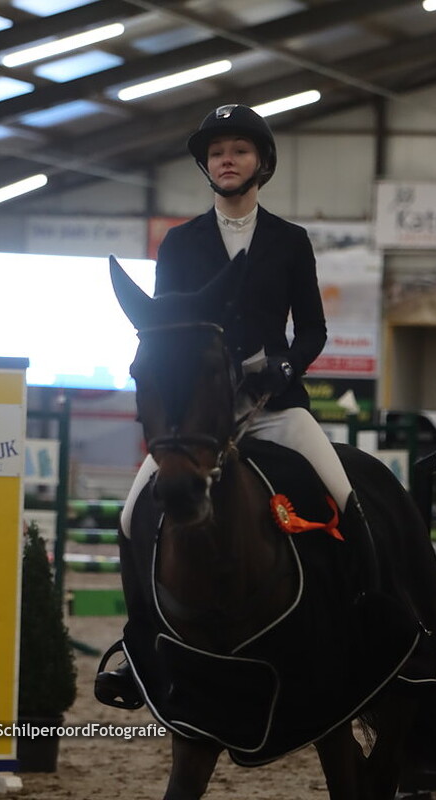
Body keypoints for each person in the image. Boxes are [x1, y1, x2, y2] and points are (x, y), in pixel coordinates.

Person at [101, 104, 379, 704]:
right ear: (207, 165)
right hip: (201, 413)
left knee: (344, 493)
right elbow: (168, 328)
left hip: (273, 404)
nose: (227, 159)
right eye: (217, 152)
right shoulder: (180, 242)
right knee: (130, 515)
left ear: (261, 163)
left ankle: (375, 617)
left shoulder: (290, 241)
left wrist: (286, 366)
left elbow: (313, 329)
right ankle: (138, 643)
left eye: (239, 150)